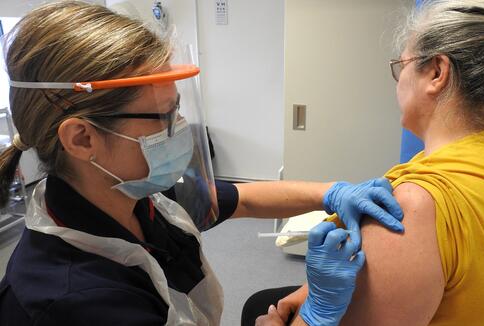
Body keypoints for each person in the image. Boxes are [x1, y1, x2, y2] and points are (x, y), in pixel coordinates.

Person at [0, 2, 404, 325]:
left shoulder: (129, 195)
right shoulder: (77, 300)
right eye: (162, 116)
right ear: (82, 138)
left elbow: (243, 199)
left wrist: (332, 192)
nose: (179, 128)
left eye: (178, 110)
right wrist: (313, 318)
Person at [256, 0, 484, 325]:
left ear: (437, 72)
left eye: (402, 65)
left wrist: (311, 314)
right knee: (265, 300)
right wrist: (308, 292)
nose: (398, 80)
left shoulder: (414, 209)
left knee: (259, 310)